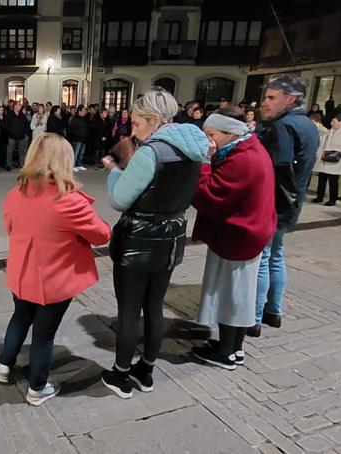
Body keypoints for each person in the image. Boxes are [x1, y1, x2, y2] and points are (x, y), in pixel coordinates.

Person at [100, 88, 208, 398]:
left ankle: (120, 375)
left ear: (155, 120)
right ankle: (145, 371)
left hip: (139, 239)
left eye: (136, 123)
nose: (132, 130)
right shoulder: (193, 148)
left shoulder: (152, 152)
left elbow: (119, 199)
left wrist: (114, 171)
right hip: (171, 237)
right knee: (154, 307)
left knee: (130, 310)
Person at [0, 133, 111, 406]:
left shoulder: (15, 193)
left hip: (21, 275)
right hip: (53, 281)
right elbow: (102, 235)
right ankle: (37, 388)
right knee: (44, 336)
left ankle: (3, 367)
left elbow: (10, 228)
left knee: (19, 318)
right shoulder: (68, 200)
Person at [191, 113, 276, 370]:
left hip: (240, 235)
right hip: (247, 232)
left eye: (212, 135)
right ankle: (234, 348)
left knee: (232, 295)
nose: (209, 140)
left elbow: (208, 194)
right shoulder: (249, 149)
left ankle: (227, 352)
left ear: (230, 134)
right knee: (239, 293)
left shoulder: (243, 160)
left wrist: (204, 161)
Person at [249, 75, 319, 337]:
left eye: (271, 98)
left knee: (263, 259)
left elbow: (277, 170)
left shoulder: (283, 126)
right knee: (276, 256)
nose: (263, 103)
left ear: (290, 99)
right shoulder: (307, 124)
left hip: (275, 204)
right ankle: (273, 311)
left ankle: (254, 318)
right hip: (292, 202)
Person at [311, 113, 341, 206]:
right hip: (325, 157)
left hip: (336, 159)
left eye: (334, 121)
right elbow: (322, 142)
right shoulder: (329, 131)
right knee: (322, 179)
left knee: (333, 181)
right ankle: (319, 196)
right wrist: (319, 154)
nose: (332, 123)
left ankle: (332, 199)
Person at [3, 102, 30, 171]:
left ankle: (22, 165)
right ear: (15, 106)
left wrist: (24, 132)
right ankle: (8, 165)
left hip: (21, 136)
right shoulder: (9, 115)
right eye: (18, 105)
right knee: (10, 151)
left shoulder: (22, 115)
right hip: (12, 136)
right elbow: (6, 125)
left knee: (22, 152)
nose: (20, 106)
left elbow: (27, 124)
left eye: (20, 105)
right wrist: (11, 132)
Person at [68, 105, 88, 172]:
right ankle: (73, 166)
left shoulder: (84, 118)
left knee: (81, 154)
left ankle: (79, 165)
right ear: (80, 111)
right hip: (76, 139)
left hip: (83, 139)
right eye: (83, 110)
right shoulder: (75, 118)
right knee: (75, 154)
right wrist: (78, 135)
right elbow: (72, 129)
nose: (84, 112)